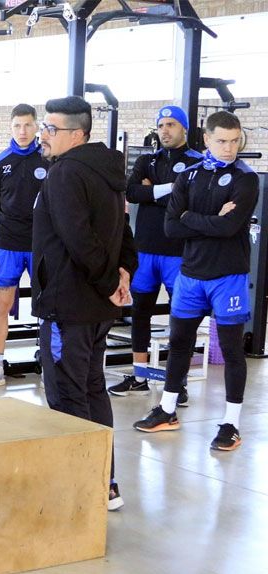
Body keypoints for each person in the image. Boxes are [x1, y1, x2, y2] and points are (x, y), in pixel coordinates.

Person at [32, 95, 136, 511]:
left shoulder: (65, 174)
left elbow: (79, 239)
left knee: (67, 395)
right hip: (95, 307)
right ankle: (105, 482)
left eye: (51, 128)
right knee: (92, 388)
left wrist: (112, 279)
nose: (43, 134)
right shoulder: (108, 172)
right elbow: (123, 231)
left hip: (69, 306)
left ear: (76, 134)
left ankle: (78, 488)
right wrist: (123, 271)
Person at [134, 111, 259, 452]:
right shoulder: (187, 177)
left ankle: (231, 423)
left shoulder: (245, 179)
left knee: (233, 351)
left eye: (235, 141)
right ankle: (168, 410)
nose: (229, 148)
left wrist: (192, 218)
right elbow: (171, 227)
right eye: (222, 141)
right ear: (206, 139)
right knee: (180, 343)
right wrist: (209, 219)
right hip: (191, 275)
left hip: (228, 277)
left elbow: (230, 227)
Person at [109, 106, 203, 398]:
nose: (165, 130)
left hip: (178, 252)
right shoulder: (147, 159)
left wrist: (153, 192)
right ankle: (139, 376)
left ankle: (179, 383)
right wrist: (170, 191)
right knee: (140, 313)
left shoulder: (195, 162)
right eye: (161, 124)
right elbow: (132, 192)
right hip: (145, 251)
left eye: (171, 124)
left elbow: (193, 200)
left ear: (184, 128)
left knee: (182, 318)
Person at [0, 103, 48, 390]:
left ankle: (49, 362)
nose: (23, 131)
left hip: (41, 243)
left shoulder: (49, 160)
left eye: (28, 125)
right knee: (1, 306)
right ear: (11, 127)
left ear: (36, 127)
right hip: (8, 244)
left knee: (47, 306)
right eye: (17, 125)